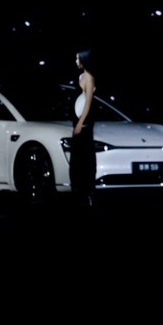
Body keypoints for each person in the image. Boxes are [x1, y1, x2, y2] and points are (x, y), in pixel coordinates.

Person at [70, 48, 97, 209]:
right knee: (76, 161)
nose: (76, 61)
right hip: (77, 123)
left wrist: (80, 123)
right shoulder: (80, 77)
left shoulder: (90, 78)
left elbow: (88, 103)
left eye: (78, 58)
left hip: (85, 126)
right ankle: (77, 191)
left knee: (86, 160)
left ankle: (88, 193)